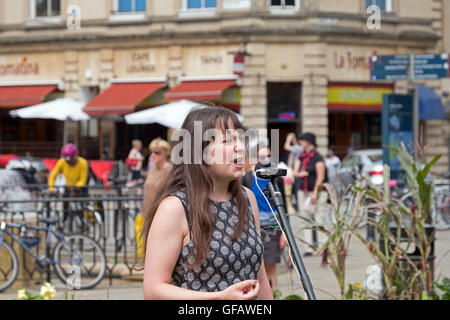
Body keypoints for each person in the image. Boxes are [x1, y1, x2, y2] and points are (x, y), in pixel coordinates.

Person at [140, 106, 273, 300]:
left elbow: (259, 275)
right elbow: (153, 290)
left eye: (241, 139)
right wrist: (219, 298)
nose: (241, 147)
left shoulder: (247, 198)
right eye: (228, 140)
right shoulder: (175, 208)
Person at [241, 146, 287, 289]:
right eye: (262, 157)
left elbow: (283, 206)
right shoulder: (247, 179)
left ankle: (273, 295)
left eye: (268, 156)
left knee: (271, 265)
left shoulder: (276, 179)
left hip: (273, 228)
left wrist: (285, 232)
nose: (266, 160)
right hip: (254, 229)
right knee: (257, 266)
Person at [293, 132, 329, 257]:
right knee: (305, 218)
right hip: (303, 191)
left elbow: (321, 176)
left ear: (308, 142)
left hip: (317, 191)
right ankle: (309, 247)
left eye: (302, 141)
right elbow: (294, 172)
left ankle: (323, 246)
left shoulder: (317, 157)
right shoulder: (302, 156)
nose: (300, 143)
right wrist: (300, 174)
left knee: (320, 218)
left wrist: (315, 192)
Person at [136, 138, 173, 259]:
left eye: (157, 152)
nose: (153, 154)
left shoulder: (170, 170)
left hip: (161, 215)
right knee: (146, 247)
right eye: (152, 152)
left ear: (165, 153)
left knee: (159, 249)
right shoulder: (152, 168)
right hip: (147, 212)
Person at [47, 143, 89, 224]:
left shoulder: (83, 163)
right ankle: (64, 221)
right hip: (68, 188)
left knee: (81, 207)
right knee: (65, 206)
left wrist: (76, 187)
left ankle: (82, 223)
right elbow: (52, 176)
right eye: (66, 159)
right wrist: (51, 189)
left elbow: (83, 179)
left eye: (70, 159)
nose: (68, 161)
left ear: (75, 155)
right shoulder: (62, 162)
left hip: (79, 188)